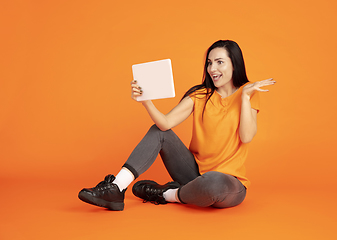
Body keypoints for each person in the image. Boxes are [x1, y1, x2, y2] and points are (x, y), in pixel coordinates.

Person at [78, 40, 275, 211]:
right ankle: (116, 187)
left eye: (219, 62)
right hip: (192, 173)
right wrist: (145, 100)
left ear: (235, 65)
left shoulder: (248, 94)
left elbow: (246, 136)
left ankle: (167, 194)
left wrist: (246, 97)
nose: (212, 69)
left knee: (214, 182)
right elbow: (165, 124)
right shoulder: (200, 95)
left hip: (228, 184)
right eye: (209, 63)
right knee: (159, 131)